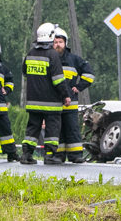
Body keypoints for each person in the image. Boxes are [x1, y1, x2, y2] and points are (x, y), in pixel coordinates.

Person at [21, 22, 70, 165]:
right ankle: (49, 156)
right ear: (50, 36)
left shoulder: (30, 53)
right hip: (51, 103)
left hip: (33, 101)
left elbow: (25, 73)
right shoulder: (52, 55)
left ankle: (26, 155)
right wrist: (65, 95)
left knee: (32, 128)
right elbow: (58, 80)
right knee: (52, 130)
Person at [53, 27, 95, 163]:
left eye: (60, 41)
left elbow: (89, 75)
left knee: (72, 129)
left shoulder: (74, 59)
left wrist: (79, 87)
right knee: (57, 131)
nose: (57, 44)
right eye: (55, 42)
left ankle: (76, 156)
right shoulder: (49, 59)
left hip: (70, 103)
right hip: (54, 103)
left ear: (65, 43)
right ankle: (58, 156)